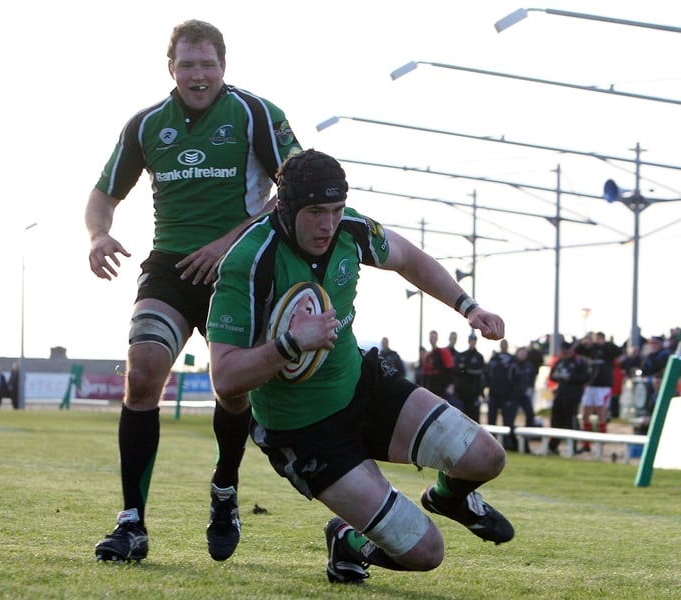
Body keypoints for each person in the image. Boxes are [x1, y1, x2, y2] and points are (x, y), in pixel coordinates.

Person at [207, 150, 513, 583]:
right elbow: (224, 380)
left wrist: (468, 307)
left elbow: (409, 258)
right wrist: (289, 344)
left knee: (487, 457)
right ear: (285, 207)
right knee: (426, 553)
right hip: (304, 432)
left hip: (361, 387)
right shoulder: (250, 262)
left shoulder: (351, 229)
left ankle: (449, 498)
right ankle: (347, 541)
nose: (328, 225)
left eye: (334, 210)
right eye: (315, 212)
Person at [85, 19, 302, 563]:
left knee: (232, 391)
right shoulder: (145, 125)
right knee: (142, 372)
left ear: (223, 67)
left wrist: (229, 243)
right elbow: (101, 194)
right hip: (169, 268)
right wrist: (98, 233)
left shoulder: (256, 114)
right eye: (187, 65)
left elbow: (297, 189)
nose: (198, 75)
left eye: (207, 64)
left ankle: (225, 489)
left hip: (240, 267)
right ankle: (131, 521)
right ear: (171, 68)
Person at [575, 332, 623, 451]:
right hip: (591, 385)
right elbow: (577, 350)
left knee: (601, 413)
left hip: (604, 386)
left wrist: (605, 344)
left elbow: (619, 351)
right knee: (586, 414)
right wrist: (583, 341)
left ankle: (600, 444)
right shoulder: (592, 350)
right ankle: (586, 444)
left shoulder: (608, 351)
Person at [547, 341, 589, 455]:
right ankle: (552, 447)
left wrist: (571, 377)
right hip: (560, 394)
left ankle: (573, 447)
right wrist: (557, 377)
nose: (564, 354)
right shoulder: (560, 361)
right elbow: (552, 375)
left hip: (573, 396)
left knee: (571, 421)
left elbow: (585, 377)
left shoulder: (579, 362)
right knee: (555, 421)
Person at [454, 333, 486, 423]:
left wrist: (466, 369)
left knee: (474, 419)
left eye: (474, 341)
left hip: (473, 393)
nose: (472, 342)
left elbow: (480, 373)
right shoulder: (462, 355)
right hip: (461, 393)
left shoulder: (479, 357)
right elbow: (456, 371)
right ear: (468, 341)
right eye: (471, 340)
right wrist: (466, 370)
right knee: (461, 418)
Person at [485, 339, 516, 429]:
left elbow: (515, 377)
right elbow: (487, 373)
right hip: (493, 394)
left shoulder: (512, 359)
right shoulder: (494, 358)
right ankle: (490, 440)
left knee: (507, 422)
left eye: (505, 344)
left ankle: (507, 442)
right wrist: (487, 386)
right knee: (491, 420)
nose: (503, 346)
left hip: (507, 395)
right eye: (502, 344)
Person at [420, 330, 455, 399]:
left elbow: (450, 369)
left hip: (442, 389)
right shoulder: (427, 355)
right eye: (431, 337)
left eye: (434, 337)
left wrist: (451, 385)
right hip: (430, 389)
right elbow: (424, 375)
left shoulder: (443, 352)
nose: (432, 339)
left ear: (436, 338)